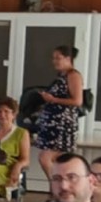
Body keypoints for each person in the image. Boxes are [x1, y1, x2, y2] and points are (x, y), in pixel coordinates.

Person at [33, 44, 85, 177]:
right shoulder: (60, 76)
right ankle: (58, 184)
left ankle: (56, 184)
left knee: (46, 158)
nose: (54, 61)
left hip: (62, 125)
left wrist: (53, 100)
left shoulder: (73, 75)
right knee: (58, 161)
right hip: (52, 124)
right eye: (53, 58)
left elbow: (77, 101)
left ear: (68, 58)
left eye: (58, 58)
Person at [0, 96, 30, 201]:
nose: (2, 115)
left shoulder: (21, 133)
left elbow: (25, 159)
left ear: (14, 114)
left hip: (8, 170)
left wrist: (18, 167)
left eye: (6, 111)